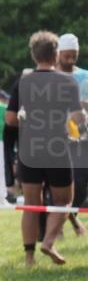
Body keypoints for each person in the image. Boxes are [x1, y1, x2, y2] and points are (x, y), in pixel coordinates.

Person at [6, 31, 83, 266]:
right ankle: (48, 241)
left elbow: (10, 120)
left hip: (30, 147)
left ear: (33, 55)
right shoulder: (67, 82)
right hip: (57, 147)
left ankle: (29, 257)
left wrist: (29, 121)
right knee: (64, 201)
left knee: (31, 203)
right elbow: (78, 118)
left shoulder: (24, 81)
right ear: (57, 54)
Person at [57, 32, 88, 236]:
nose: (69, 60)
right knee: (61, 184)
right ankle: (55, 227)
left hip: (82, 138)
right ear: (58, 53)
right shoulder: (49, 75)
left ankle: (72, 217)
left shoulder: (84, 76)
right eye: (66, 55)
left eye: (73, 56)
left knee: (80, 186)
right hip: (57, 137)